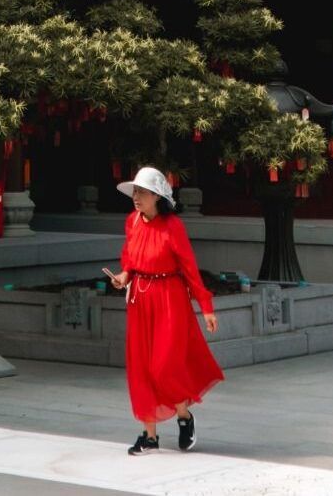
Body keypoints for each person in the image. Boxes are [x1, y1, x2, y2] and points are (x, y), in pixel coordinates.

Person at [104, 166, 223, 456]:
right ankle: (150, 435)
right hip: (140, 300)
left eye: (142, 192)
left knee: (163, 365)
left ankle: (184, 416)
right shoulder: (133, 222)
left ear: (157, 196)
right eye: (135, 192)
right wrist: (123, 277)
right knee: (142, 367)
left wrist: (206, 306)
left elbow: (190, 270)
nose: (136, 197)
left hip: (169, 298)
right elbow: (130, 260)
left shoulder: (173, 227)